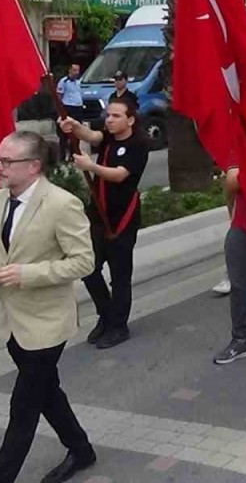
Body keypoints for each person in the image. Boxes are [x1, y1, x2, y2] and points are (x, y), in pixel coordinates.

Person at [0, 131, 96, 483]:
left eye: (6, 161)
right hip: (13, 323)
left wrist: (29, 274)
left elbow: (84, 261)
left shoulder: (61, 204)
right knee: (47, 392)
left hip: (48, 324)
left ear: (33, 166)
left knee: (23, 408)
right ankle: (82, 450)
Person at [59, 99, 149, 349]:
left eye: (116, 116)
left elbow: (120, 175)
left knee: (120, 276)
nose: (109, 120)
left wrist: (91, 166)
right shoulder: (109, 136)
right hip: (98, 214)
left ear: (130, 120)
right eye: (108, 115)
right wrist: (73, 125)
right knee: (88, 267)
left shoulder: (138, 144)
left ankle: (119, 326)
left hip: (122, 218)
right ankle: (106, 314)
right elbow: (91, 136)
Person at [213, 164, 246, 364]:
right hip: (244, 228)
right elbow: (232, 181)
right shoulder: (244, 149)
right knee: (239, 286)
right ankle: (240, 339)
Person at [56, 63, 85, 163]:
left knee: (77, 132)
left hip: (78, 108)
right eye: (74, 70)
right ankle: (62, 157)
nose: (76, 72)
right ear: (69, 70)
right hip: (68, 108)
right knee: (64, 133)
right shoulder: (63, 82)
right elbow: (59, 96)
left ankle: (74, 155)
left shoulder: (78, 82)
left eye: (78, 70)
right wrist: (61, 111)